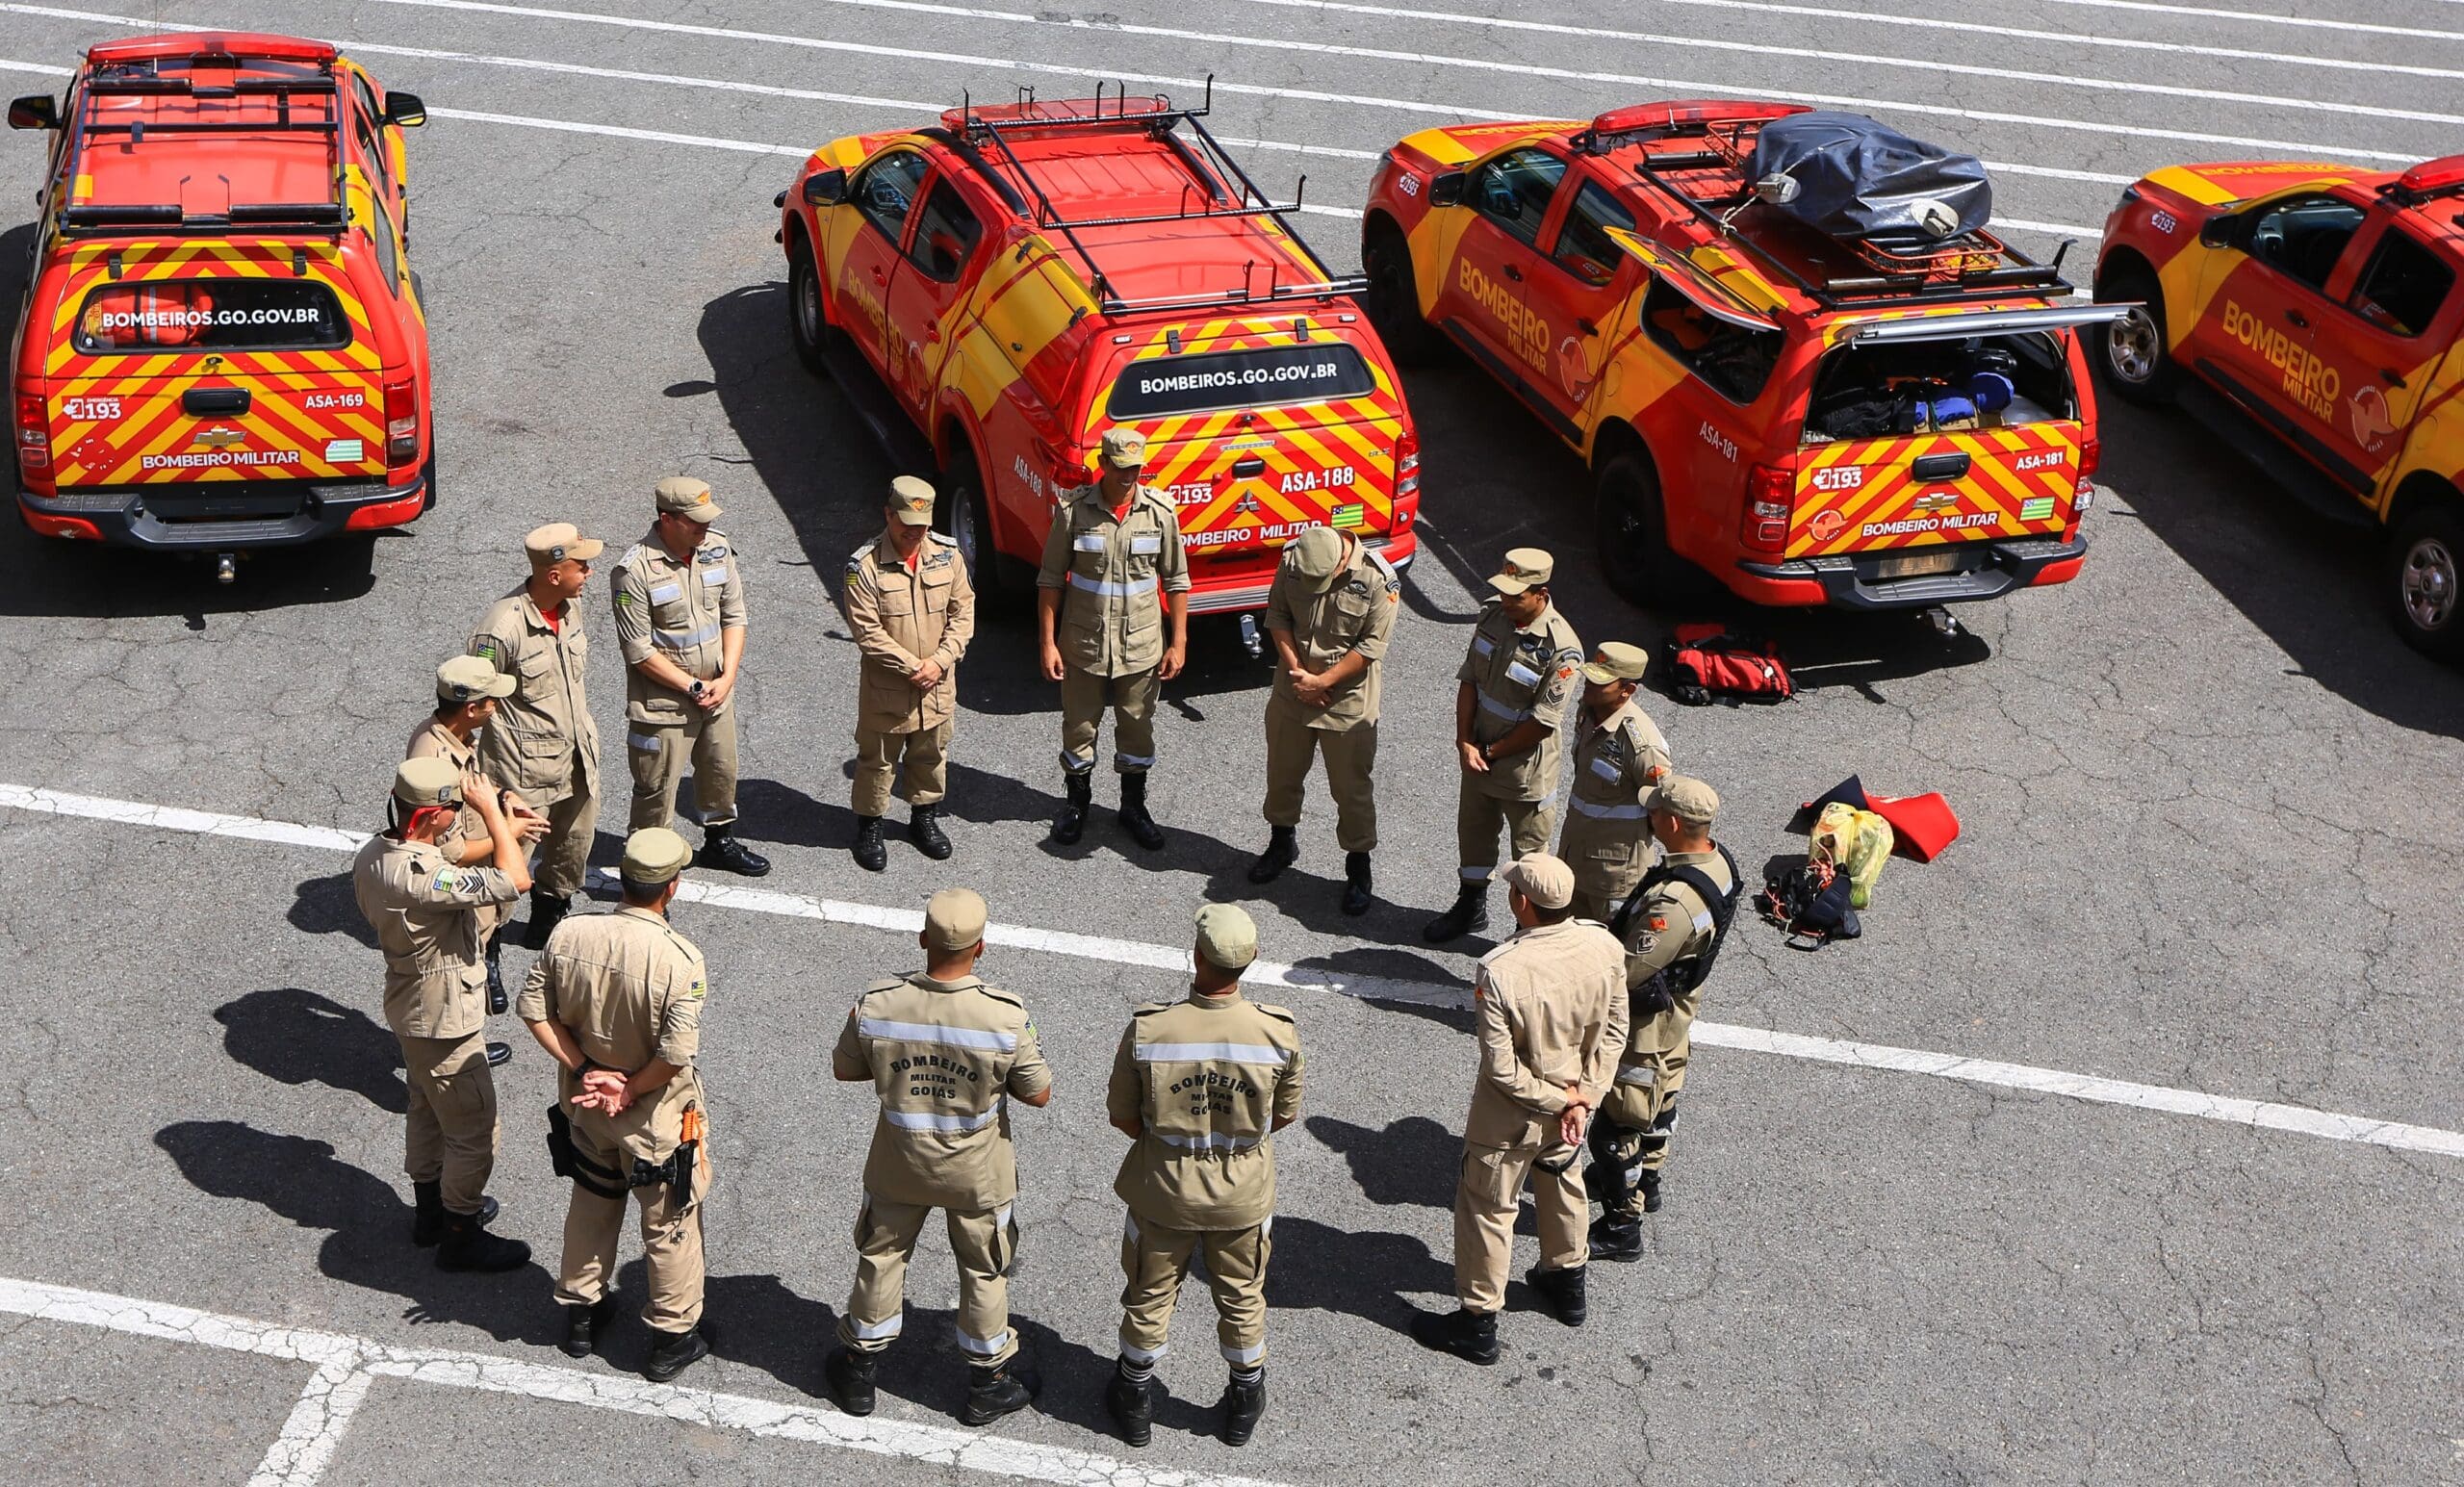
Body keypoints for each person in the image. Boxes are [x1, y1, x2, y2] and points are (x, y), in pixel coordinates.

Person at [824, 889, 1052, 1426]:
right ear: (982, 947)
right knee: (983, 1268)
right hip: (975, 1172)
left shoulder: (877, 1002)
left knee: (881, 1258)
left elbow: (845, 1068)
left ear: (923, 939)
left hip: (899, 1163)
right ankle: (987, 1383)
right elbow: (1038, 1093)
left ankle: (859, 1372)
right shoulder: (1005, 1015)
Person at [519, 826, 716, 1382]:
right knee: (668, 1220)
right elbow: (676, 1053)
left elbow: (535, 1010)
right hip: (653, 1117)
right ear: (671, 889)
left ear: (622, 880)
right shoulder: (680, 960)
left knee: (593, 1200)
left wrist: (585, 1069)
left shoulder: (570, 934)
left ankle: (581, 1313)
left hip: (585, 1105)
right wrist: (628, 1088)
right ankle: (672, 1337)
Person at [1102, 904, 1304, 1449]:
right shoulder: (1277, 1033)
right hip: (1242, 1195)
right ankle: (1244, 1400)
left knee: (1150, 1294)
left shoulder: (1150, 1029)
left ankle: (1135, 1397)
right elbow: (1282, 1115)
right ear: (1253, 961)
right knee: (1242, 1296)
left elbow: (1121, 1116)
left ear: (1196, 957)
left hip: (1165, 1190)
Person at [1412, 854, 1626, 1364]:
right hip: (1574, 1103)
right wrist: (1582, 1099)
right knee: (1562, 1177)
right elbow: (1616, 1033)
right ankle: (1567, 1281)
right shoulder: (1605, 944)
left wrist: (1558, 1100)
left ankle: (1478, 1322)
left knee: (1488, 1207)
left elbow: (1503, 1071)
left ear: (1522, 902)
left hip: (1511, 1116)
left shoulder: (1501, 970)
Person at [350, 756, 532, 1272]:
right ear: (429, 815)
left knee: (425, 1108)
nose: (458, 814)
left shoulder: (374, 855)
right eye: (452, 807)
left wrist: (500, 819)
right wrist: (495, 819)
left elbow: (448, 860)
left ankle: (430, 1212)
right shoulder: (423, 878)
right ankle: (461, 1231)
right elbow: (514, 879)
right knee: (474, 1127)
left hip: (410, 1003)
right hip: (444, 1016)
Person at [1590, 778, 1740, 1256]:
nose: (1649, 817)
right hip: (1676, 1016)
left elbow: (1628, 970)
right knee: (1662, 1101)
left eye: (1655, 812)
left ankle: (1622, 1223)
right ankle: (1649, 1181)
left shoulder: (1673, 906)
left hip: (1645, 1028)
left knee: (1618, 1126)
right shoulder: (1718, 865)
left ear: (1673, 823)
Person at [1038, 426, 1189, 852]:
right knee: (1079, 728)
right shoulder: (1073, 513)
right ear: (1102, 465)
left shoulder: (1159, 514)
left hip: (1141, 647)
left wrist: (1178, 642)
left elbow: (1177, 581)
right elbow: (1050, 580)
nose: (1128, 476)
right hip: (1083, 646)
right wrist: (1047, 643)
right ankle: (1077, 805)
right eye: (1121, 468)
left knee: (1137, 729)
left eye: (1136, 469)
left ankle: (1133, 807)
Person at [609, 476, 769, 877]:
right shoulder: (634, 571)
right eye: (694, 521)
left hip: (717, 693)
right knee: (656, 790)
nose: (704, 528)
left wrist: (727, 678)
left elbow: (734, 616)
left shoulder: (716, 549)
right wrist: (692, 687)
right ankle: (646, 873)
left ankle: (719, 842)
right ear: (667, 519)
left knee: (720, 773)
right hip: (664, 705)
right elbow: (638, 650)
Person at [1424, 549, 1583, 943]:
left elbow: (1543, 723)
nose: (1508, 601)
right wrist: (1464, 741)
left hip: (1522, 770)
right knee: (1474, 834)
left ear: (1541, 595)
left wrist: (1490, 752)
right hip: (1478, 754)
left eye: (1517, 595)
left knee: (1529, 857)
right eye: (1505, 592)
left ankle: (1526, 932)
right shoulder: (1492, 615)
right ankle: (1470, 906)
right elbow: (1469, 681)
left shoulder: (1562, 649)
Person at [1246, 525, 1400, 916]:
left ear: (1340, 563)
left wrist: (1322, 681)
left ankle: (1358, 868)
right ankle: (1282, 842)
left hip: (1346, 703)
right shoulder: (1295, 559)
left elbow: (1371, 646)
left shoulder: (1378, 579)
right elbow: (1277, 614)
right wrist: (1299, 673)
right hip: (1292, 693)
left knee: (1351, 791)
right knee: (1282, 774)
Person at [409, 654, 550, 1062]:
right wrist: (507, 834)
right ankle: (463, 1051)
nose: (497, 707)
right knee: (460, 976)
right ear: (471, 709)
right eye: (491, 701)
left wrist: (505, 799)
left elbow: (474, 785)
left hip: (472, 878)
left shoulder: (451, 737)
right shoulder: (434, 760)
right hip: (458, 886)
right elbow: (448, 849)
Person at [471, 522, 603, 949]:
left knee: (571, 847)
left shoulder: (569, 606)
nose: (590, 573)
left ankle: (547, 919)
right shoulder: (500, 629)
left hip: (576, 758)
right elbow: (474, 702)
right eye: (582, 567)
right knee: (510, 860)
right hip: (524, 771)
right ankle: (485, 948)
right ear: (553, 574)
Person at [840, 475, 976, 871]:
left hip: (937, 684)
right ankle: (870, 826)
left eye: (921, 527)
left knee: (931, 754)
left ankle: (924, 819)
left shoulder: (947, 557)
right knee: (877, 762)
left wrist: (940, 661)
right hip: (888, 688)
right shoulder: (863, 566)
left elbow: (963, 613)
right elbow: (867, 631)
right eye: (905, 526)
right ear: (888, 514)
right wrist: (914, 666)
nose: (913, 534)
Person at [1556, 643, 1674, 924]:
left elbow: (1661, 807)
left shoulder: (1640, 743)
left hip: (1614, 873)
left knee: (1609, 946)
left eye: (1600, 683)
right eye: (1588, 679)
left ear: (1628, 690)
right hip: (1576, 854)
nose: (1589, 687)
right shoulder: (1588, 710)